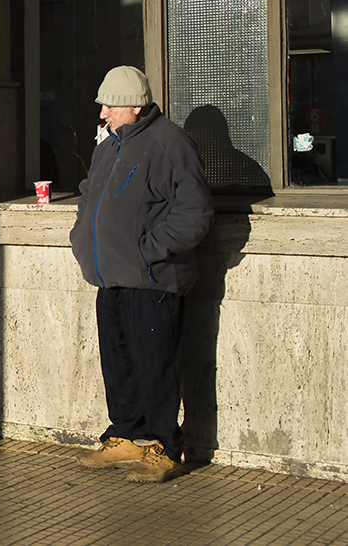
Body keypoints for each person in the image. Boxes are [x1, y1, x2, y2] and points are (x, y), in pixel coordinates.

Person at [69, 66, 213, 483]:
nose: (103, 114)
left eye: (110, 106)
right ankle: (126, 435)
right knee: (118, 364)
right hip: (109, 275)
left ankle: (165, 446)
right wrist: (81, 238)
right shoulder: (108, 146)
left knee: (156, 364)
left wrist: (148, 251)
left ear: (135, 106)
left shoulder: (170, 142)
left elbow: (195, 211)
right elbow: (88, 194)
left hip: (153, 279)